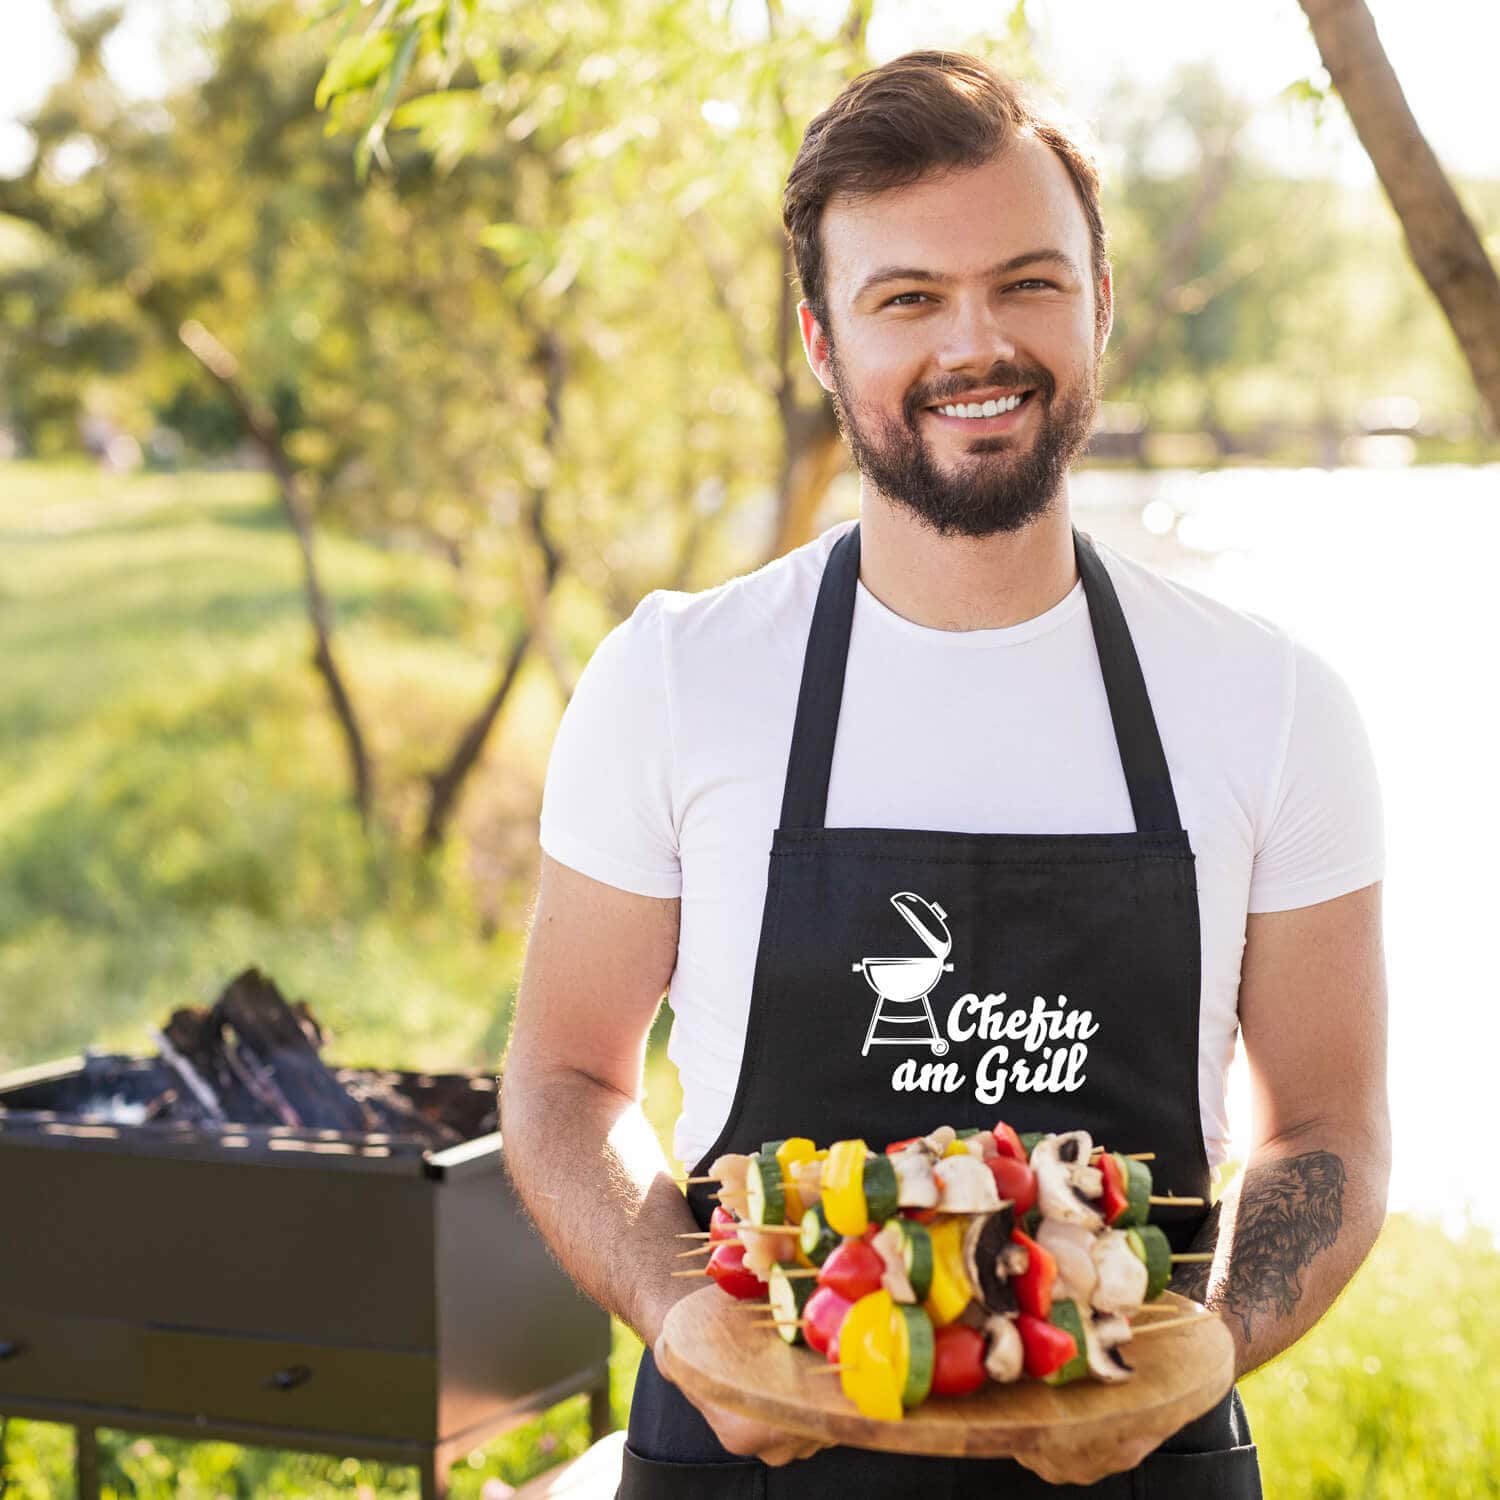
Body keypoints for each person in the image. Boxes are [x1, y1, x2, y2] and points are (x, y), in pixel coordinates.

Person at [500, 50, 1389, 1499]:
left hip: (1144, 1457)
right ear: (820, 339)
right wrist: (681, 1317)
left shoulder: (1272, 702)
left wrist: (1201, 1349)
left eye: (1028, 283)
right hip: (740, 1460)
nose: (976, 344)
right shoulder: (676, 676)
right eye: (907, 298)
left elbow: (1331, 1126)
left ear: (1099, 305)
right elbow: (560, 1078)